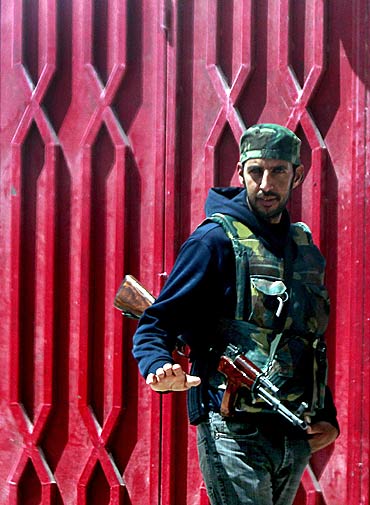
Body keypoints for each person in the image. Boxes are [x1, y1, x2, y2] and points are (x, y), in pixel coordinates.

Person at [132, 124, 339, 505]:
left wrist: (327, 414)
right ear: (241, 171)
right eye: (256, 171)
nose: (265, 183)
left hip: (293, 431)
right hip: (232, 426)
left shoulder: (303, 248)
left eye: (278, 171)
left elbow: (307, 339)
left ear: (298, 174)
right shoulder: (214, 241)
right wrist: (157, 365)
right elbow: (156, 322)